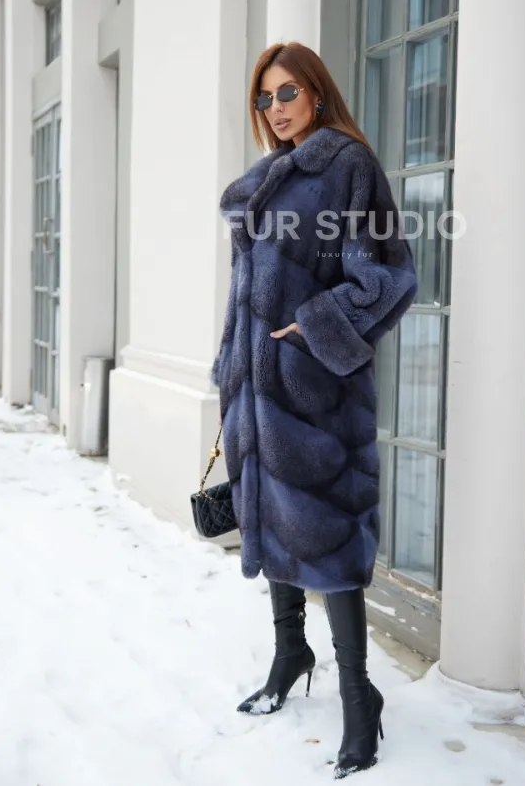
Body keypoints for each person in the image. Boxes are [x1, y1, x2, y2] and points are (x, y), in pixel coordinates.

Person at [211, 42, 418, 779]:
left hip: (316, 388)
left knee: (330, 538)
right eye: (264, 98)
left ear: (318, 91)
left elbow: (388, 275)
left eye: (288, 92)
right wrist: (233, 364)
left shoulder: (347, 166)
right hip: (257, 387)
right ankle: (289, 652)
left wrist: (312, 329)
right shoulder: (268, 179)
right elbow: (245, 293)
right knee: (275, 521)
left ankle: (360, 696)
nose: (276, 108)